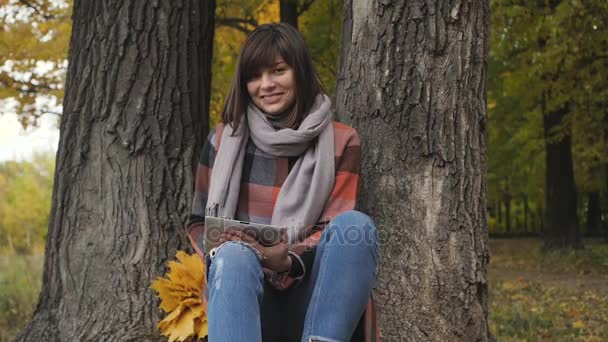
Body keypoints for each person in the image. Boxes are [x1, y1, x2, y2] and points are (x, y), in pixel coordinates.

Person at [187, 23, 380, 342]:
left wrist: (288, 261)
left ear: (299, 71)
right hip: (242, 293)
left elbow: (334, 228)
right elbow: (197, 223)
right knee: (233, 256)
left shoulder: (342, 141)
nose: (266, 85)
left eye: (278, 70)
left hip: (314, 296)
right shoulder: (223, 140)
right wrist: (235, 248)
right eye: (255, 76)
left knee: (356, 227)